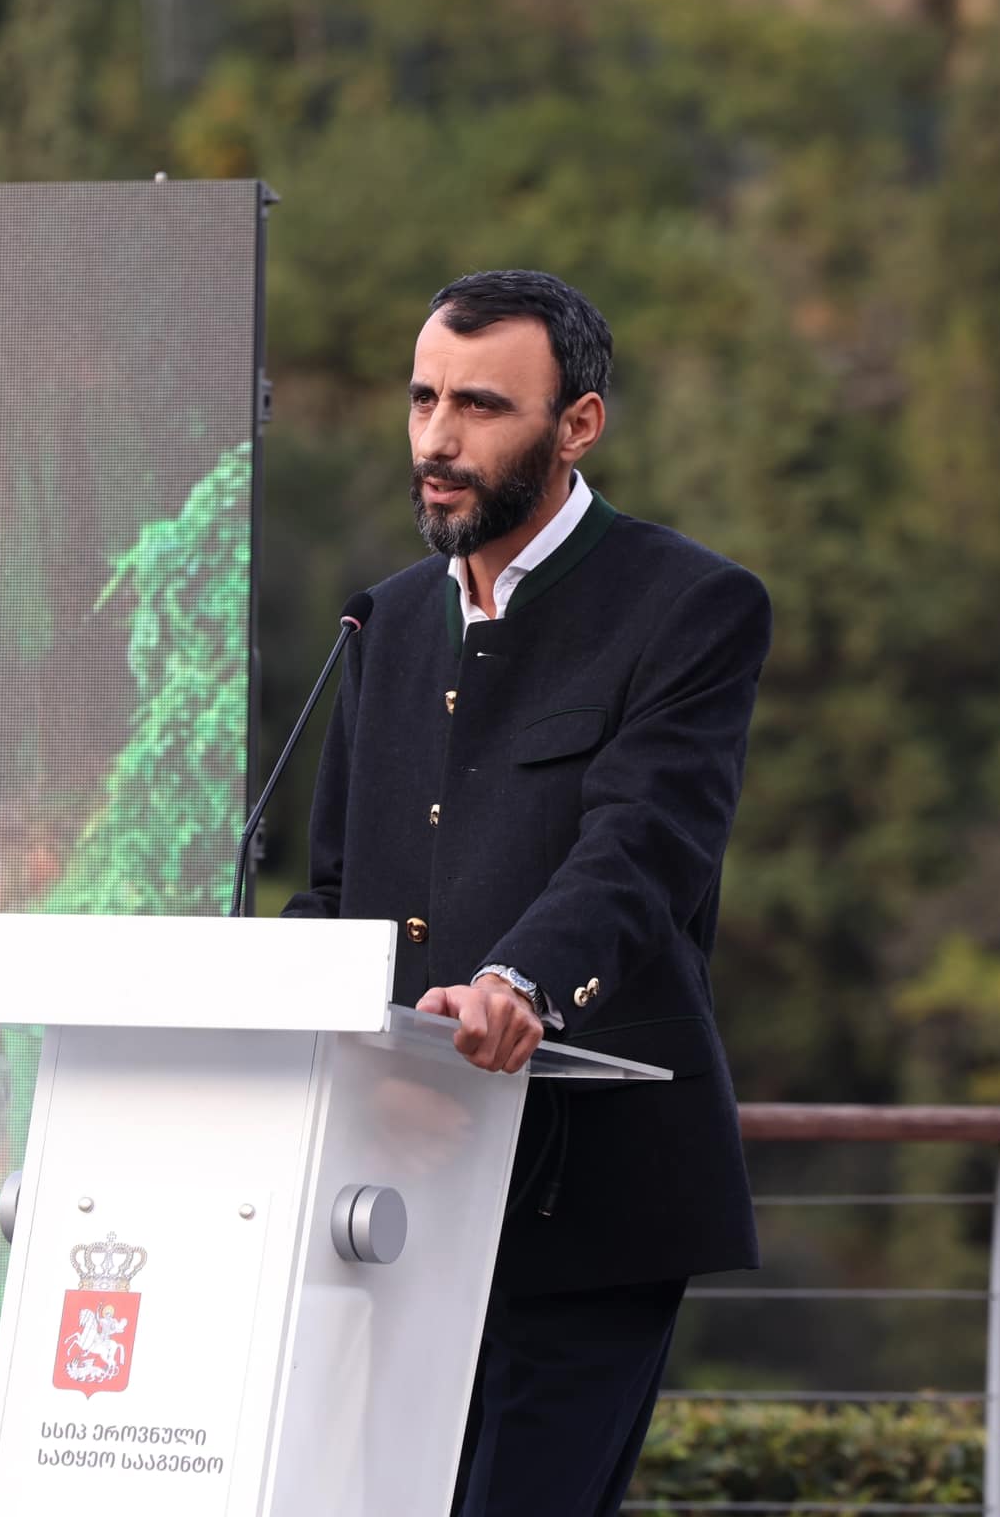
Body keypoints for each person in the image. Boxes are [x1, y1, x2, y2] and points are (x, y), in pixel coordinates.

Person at [282, 269, 769, 1517]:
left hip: (587, 1202)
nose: (437, 440)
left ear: (576, 425)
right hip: (379, 1195)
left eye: (480, 406)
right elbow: (336, 891)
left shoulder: (688, 606)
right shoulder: (381, 623)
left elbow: (641, 847)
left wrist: (517, 980)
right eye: (422, 400)